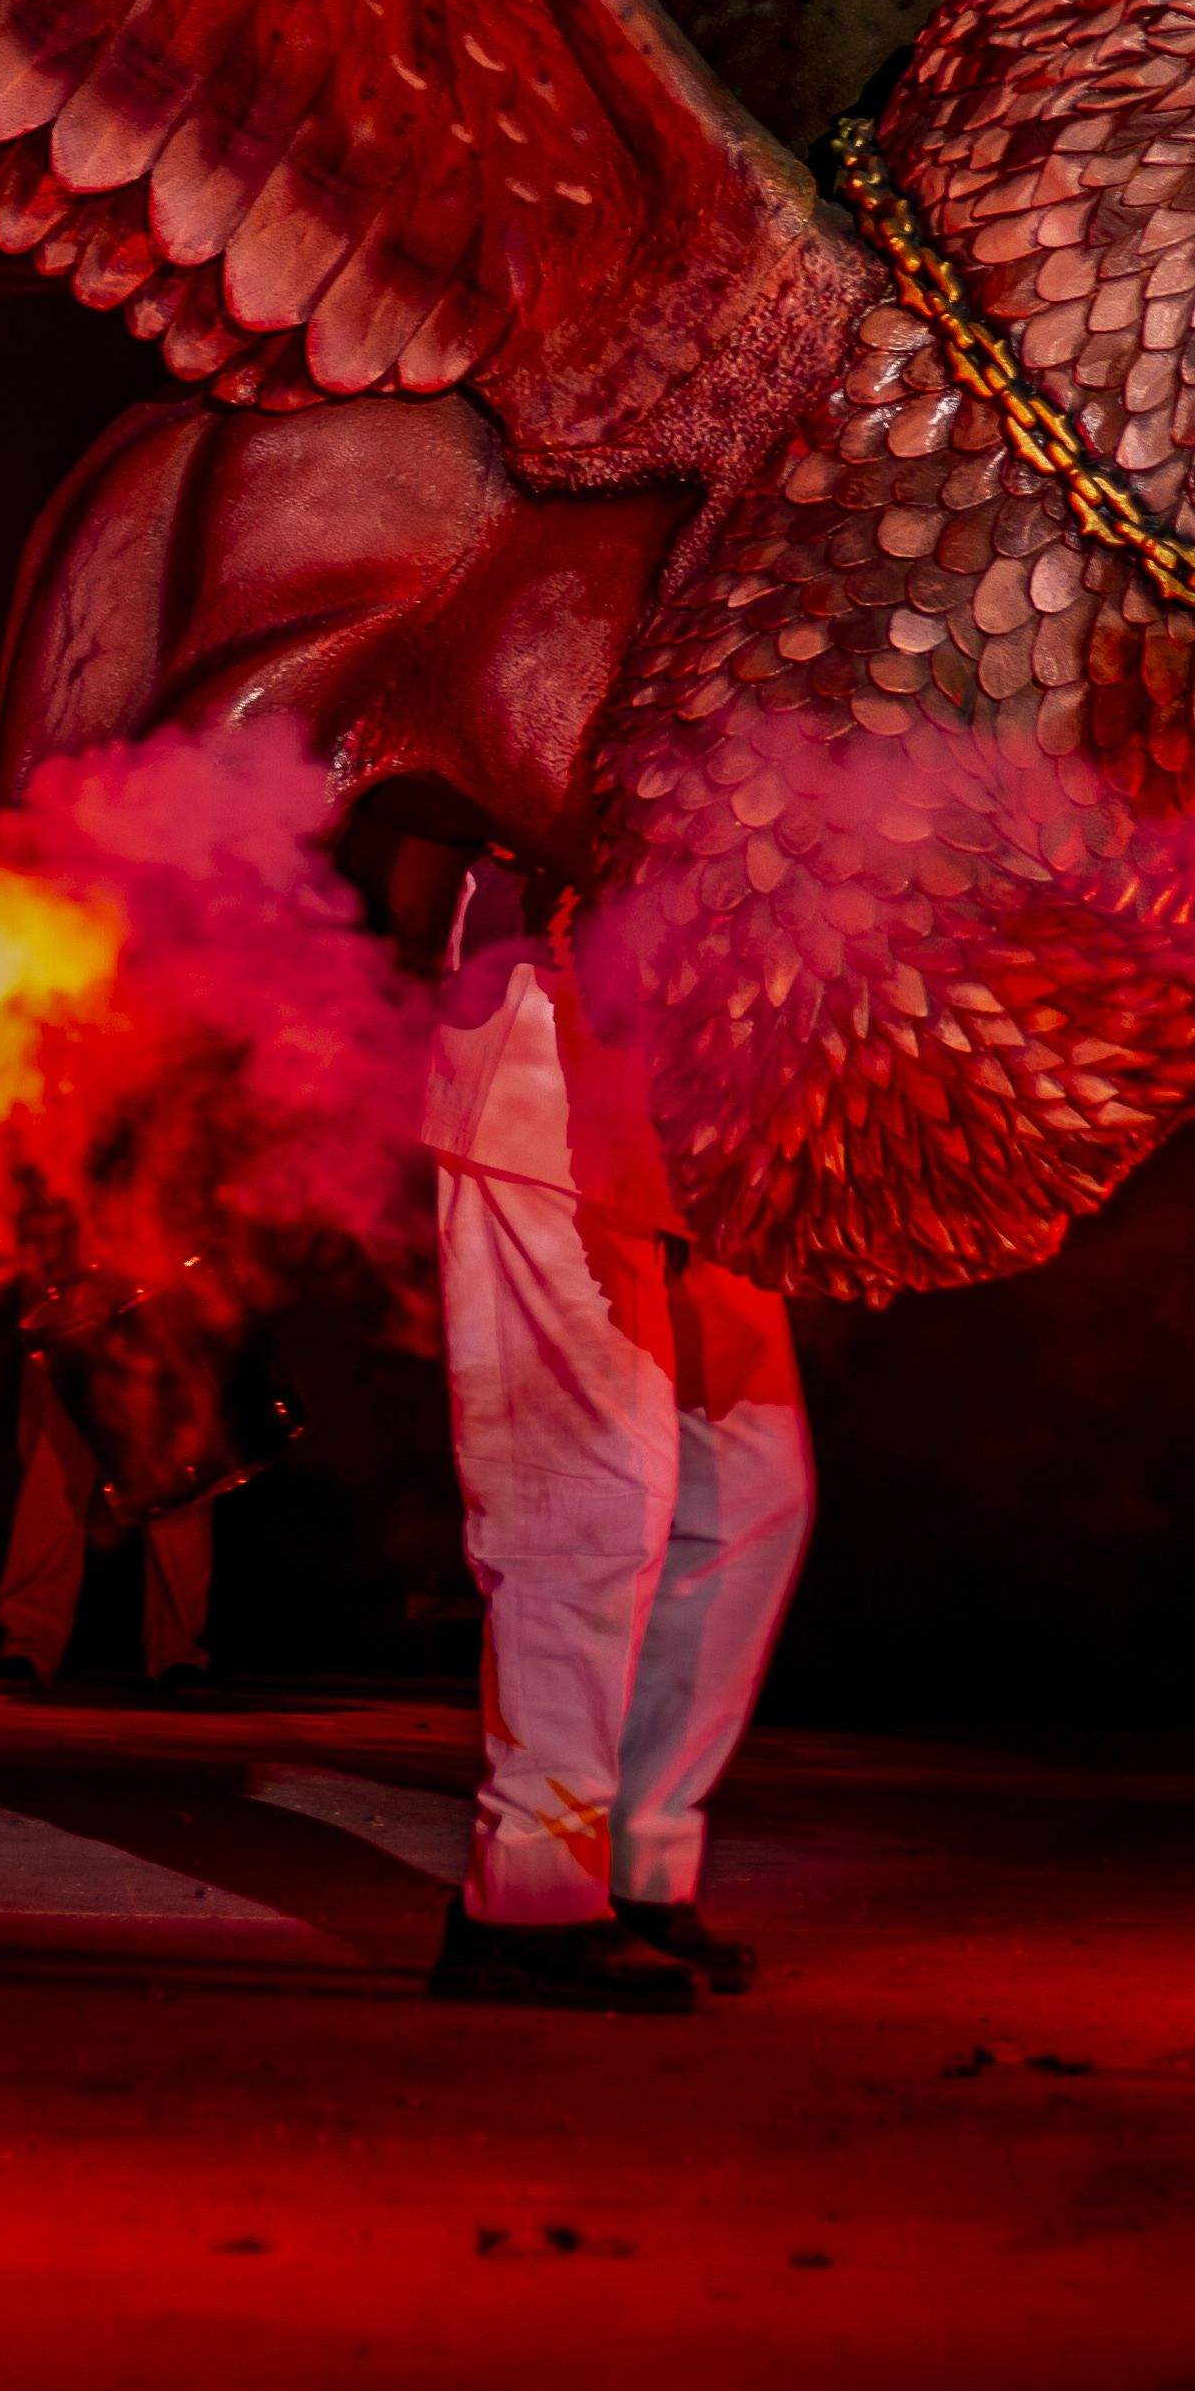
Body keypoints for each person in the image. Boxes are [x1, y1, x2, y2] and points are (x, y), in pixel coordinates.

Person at [414, 855, 811, 2012]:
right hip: (547, 1078)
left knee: (750, 1491)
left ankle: (638, 1862)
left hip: (703, 1104)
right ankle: (530, 1896)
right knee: (584, 1497)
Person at [0, 1262, 226, 1694]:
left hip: (156, 1260)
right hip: (66, 1266)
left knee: (174, 1463)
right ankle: (29, 1643)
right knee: (55, 1465)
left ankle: (179, 1651)